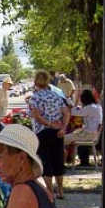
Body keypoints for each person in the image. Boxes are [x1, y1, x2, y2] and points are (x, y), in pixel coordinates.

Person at [28, 69, 70, 199]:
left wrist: (49, 124)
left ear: (36, 82)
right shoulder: (56, 96)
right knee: (58, 160)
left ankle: (50, 192)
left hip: (42, 131)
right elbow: (66, 113)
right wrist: (63, 127)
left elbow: (37, 116)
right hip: (57, 131)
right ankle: (61, 190)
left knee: (46, 161)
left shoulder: (34, 98)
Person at [65, 88, 103, 161]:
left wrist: (71, 103)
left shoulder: (90, 108)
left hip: (88, 135)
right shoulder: (97, 106)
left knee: (61, 139)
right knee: (72, 135)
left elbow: (74, 112)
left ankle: (62, 161)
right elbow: (82, 110)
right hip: (93, 134)